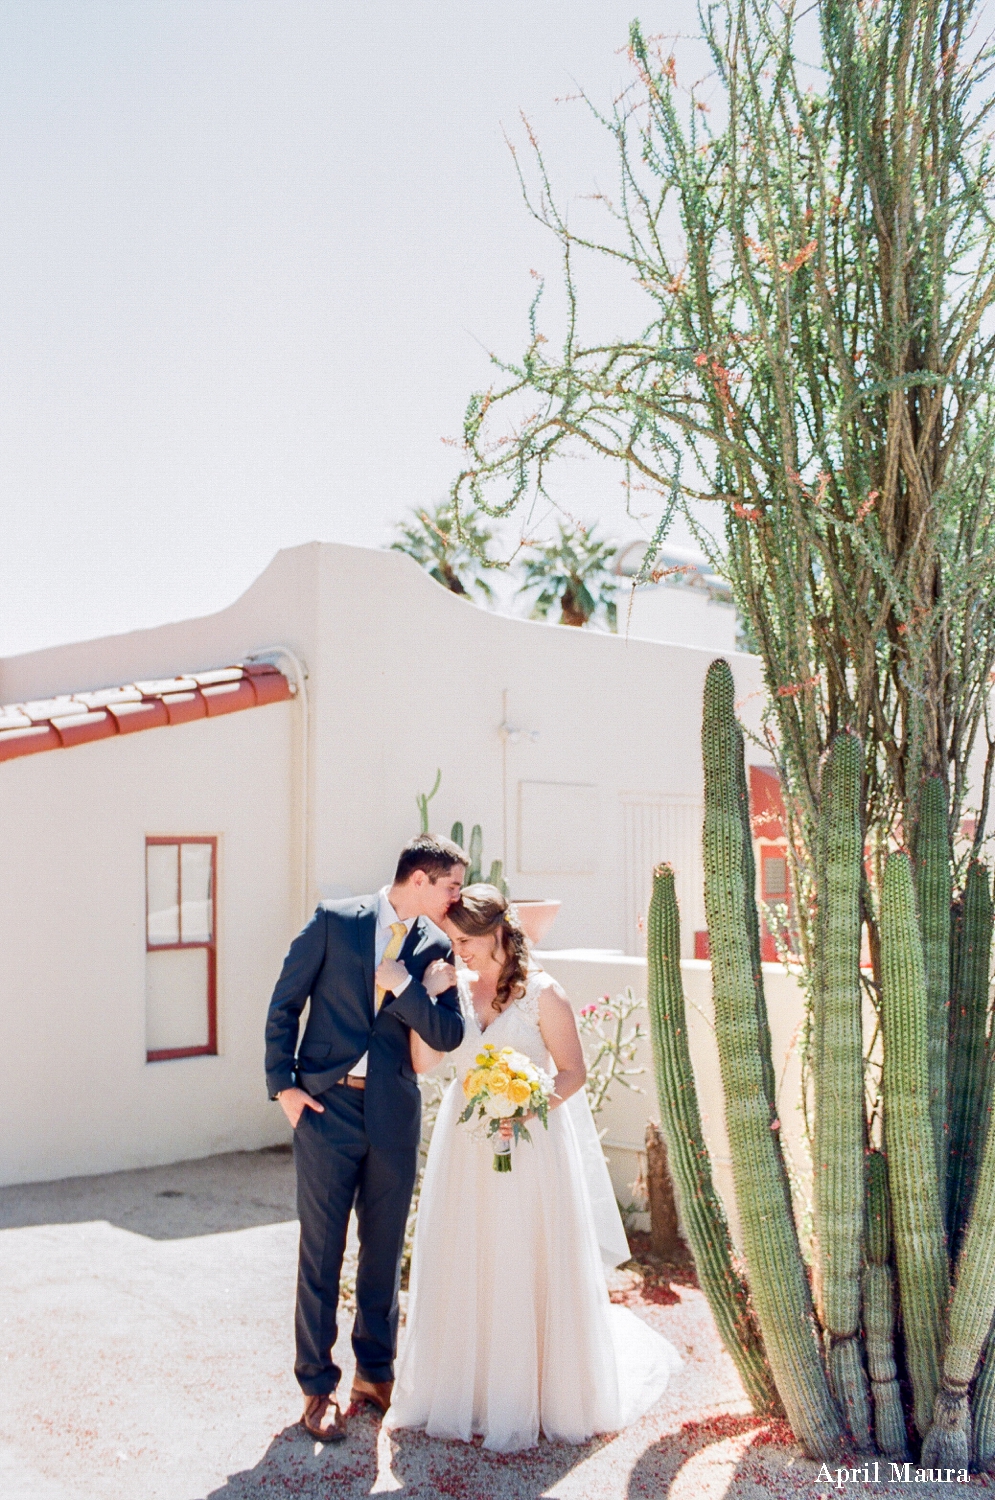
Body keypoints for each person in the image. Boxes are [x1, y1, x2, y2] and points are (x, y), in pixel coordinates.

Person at [386, 884, 682, 1453]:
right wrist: (426, 997)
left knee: (524, 1255)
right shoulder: (450, 987)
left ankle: (537, 1391)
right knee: (467, 1255)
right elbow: (424, 1063)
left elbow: (572, 1073)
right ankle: (468, 1390)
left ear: (499, 933)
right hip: (465, 1145)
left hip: (530, 1145)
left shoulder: (544, 994)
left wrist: (522, 1106)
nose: (460, 951)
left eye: (467, 941)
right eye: (453, 941)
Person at [264, 834, 468, 1443]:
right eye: (452, 885)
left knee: (382, 1251)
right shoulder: (335, 920)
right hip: (325, 1110)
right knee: (321, 1252)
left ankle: (374, 1377)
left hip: (391, 1115)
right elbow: (284, 1004)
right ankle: (317, 1386)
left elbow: (450, 1033)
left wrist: (406, 985)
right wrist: (285, 1088)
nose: (458, 897)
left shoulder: (436, 946)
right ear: (421, 879)